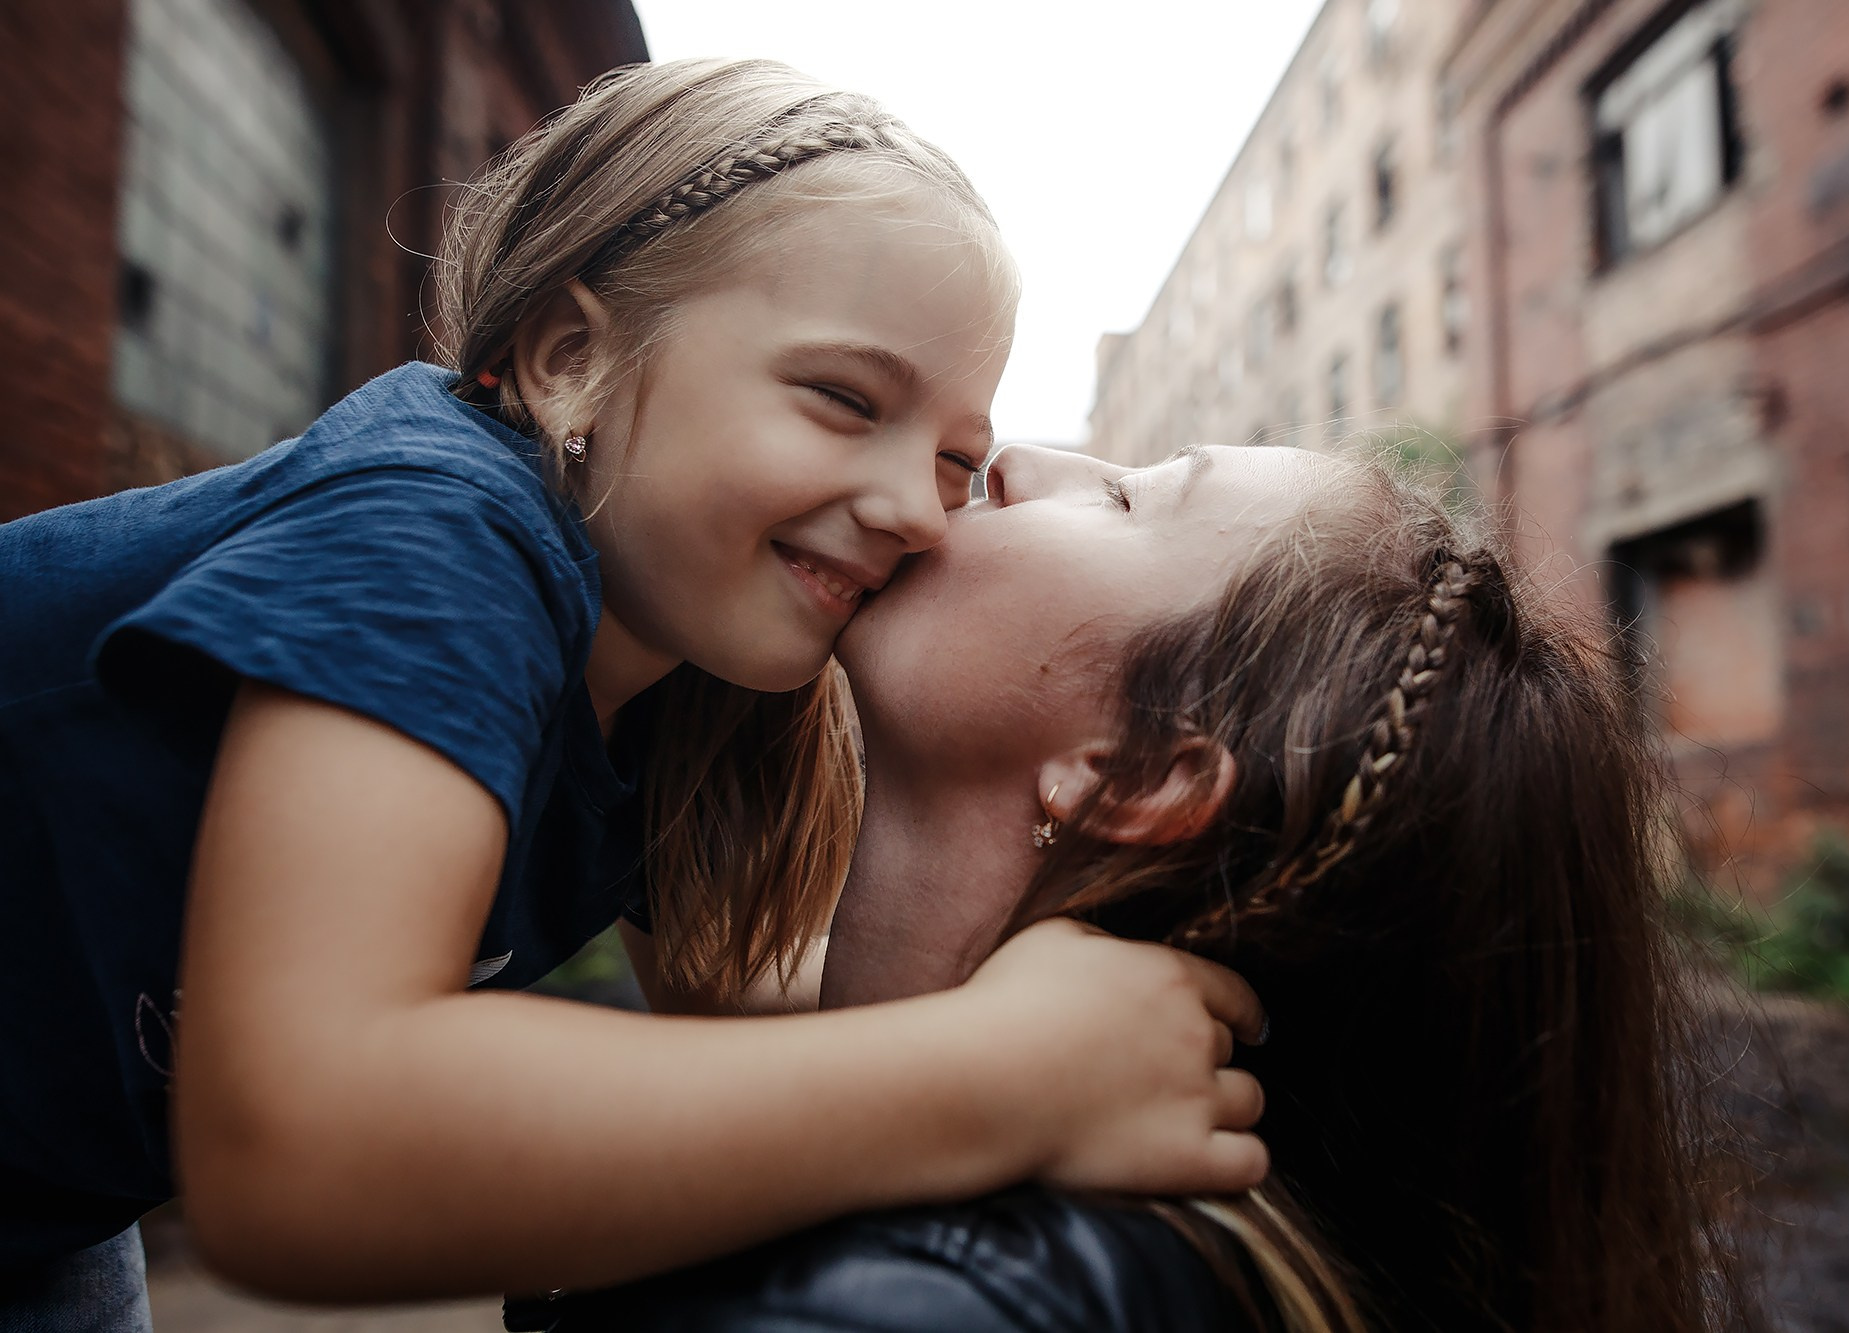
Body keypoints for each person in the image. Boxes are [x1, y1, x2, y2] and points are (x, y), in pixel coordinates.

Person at [0, 60, 1270, 1331]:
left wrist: (1084, 996)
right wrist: (1004, 1076)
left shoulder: (685, 672)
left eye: (951, 458)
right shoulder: (438, 532)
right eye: (841, 398)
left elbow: (726, 986)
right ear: (568, 359)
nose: (911, 509)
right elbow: (298, 1146)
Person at [535, 442, 1754, 1332]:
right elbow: (718, 975)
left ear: (1137, 772)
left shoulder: (956, 1305)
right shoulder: (1100, 1187)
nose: (1012, 461)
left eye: (1123, 495)